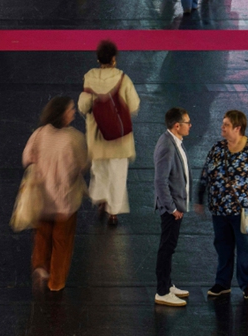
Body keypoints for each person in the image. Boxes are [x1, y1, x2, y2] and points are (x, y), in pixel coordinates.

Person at [195, 111, 248, 299]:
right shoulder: (217, 149)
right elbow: (205, 175)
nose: (222, 127)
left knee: (245, 249)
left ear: (237, 128)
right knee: (223, 247)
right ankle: (222, 283)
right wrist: (200, 198)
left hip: (246, 211)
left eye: (226, 124)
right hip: (219, 210)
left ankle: (247, 285)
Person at [22, 96, 87, 292]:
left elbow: (27, 158)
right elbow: (82, 164)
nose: (73, 112)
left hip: (41, 199)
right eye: (70, 110)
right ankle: (56, 282)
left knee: (42, 236)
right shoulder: (74, 138)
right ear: (62, 115)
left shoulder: (39, 134)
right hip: (64, 202)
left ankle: (40, 266)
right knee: (62, 242)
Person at [78, 42, 140, 226]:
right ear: (114, 59)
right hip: (119, 140)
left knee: (99, 171)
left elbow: (83, 106)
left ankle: (101, 201)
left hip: (97, 138)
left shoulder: (89, 77)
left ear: (98, 58)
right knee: (118, 175)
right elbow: (134, 105)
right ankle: (113, 212)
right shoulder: (123, 78)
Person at [153, 108, 193, 307]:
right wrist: (171, 208)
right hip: (171, 210)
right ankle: (162, 291)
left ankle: (167, 285)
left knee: (169, 247)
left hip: (176, 207)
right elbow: (160, 181)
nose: (190, 126)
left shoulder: (174, 141)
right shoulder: (167, 146)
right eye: (187, 122)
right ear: (177, 126)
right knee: (166, 248)